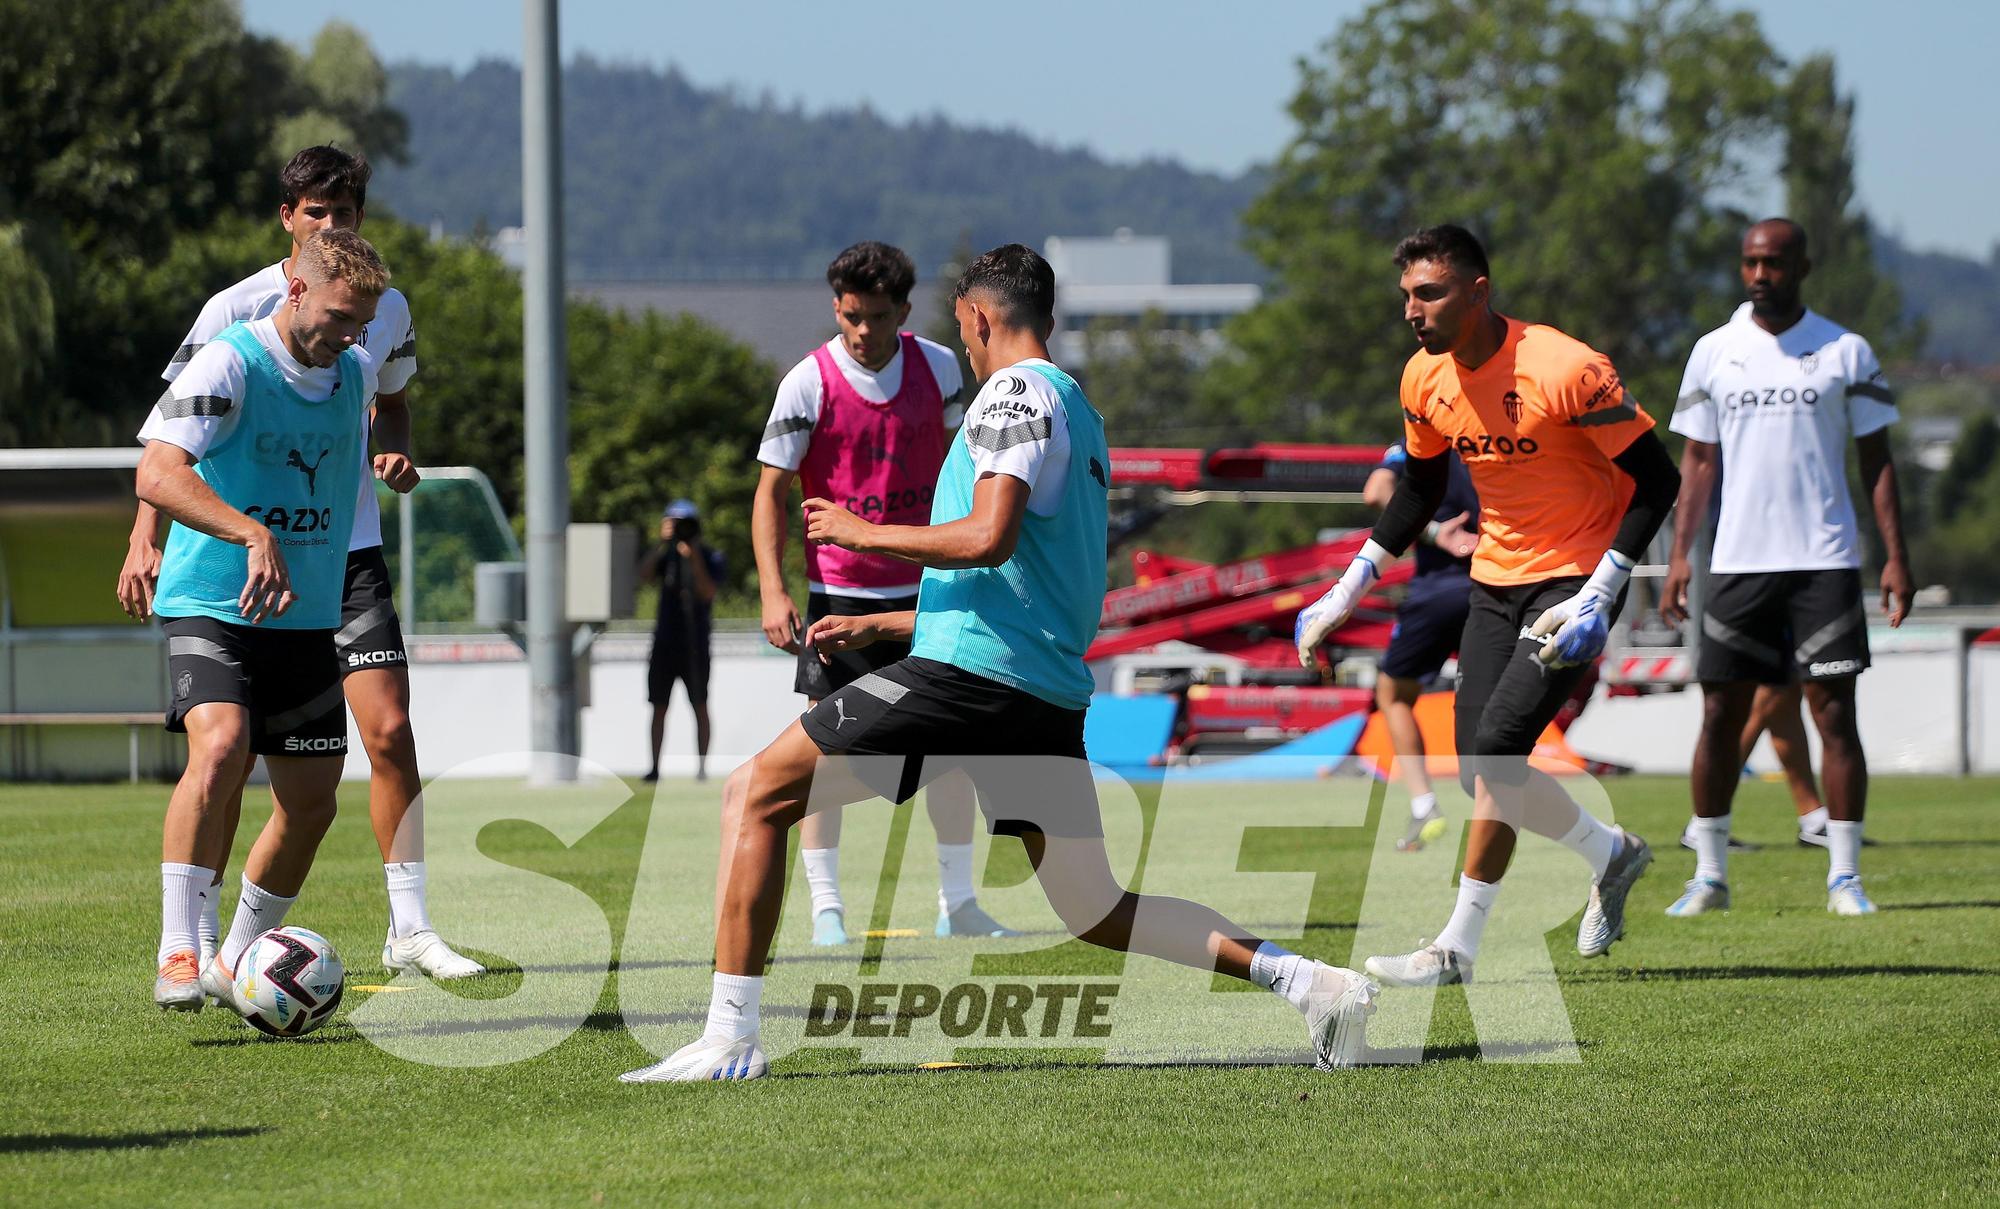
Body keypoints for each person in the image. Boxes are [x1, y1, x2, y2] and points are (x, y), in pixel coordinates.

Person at [622, 244, 1379, 1082]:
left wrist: (861, 532)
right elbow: (1030, 576)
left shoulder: (1013, 392)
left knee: (754, 791)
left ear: (980, 318)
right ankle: (1310, 982)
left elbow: (989, 536)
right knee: (1095, 907)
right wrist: (887, 623)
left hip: (969, 683)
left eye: (965, 332)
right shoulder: (1081, 411)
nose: (969, 351)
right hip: (1037, 692)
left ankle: (730, 1037)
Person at [120, 146, 482, 982]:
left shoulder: (373, 325)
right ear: (289, 223)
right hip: (225, 568)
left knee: (360, 752)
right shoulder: (233, 323)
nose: (333, 222)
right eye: (317, 209)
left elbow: (392, 403)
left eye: (345, 208)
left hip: (331, 570)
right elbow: (173, 445)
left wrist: (395, 456)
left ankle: (393, 930)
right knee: (224, 750)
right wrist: (150, 534)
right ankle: (188, 942)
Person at [1297, 224, 1680, 987]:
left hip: (1573, 582)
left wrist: (1604, 591)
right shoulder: (1421, 379)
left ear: (1479, 291)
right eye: (1406, 294)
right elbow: (1421, 489)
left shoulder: (1567, 367)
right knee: (1482, 770)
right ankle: (1612, 852)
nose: (1414, 309)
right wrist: (1349, 587)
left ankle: (1455, 949)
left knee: (1499, 748)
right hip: (1493, 584)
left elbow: (1657, 479)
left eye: (1430, 292)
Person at [141, 230, 396, 1011]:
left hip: (306, 616)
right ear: (295, 292)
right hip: (212, 599)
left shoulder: (353, 371)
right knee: (219, 749)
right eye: (341, 317)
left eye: (363, 323)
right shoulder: (229, 360)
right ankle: (181, 948)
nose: (353, 336)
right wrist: (251, 532)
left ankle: (237, 960)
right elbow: (156, 469)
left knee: (313, 802)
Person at [750, 240, 1014, 945]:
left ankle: (958, 901)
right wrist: (775, 591)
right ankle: (826, 906)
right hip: (839, 598)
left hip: (931, 593)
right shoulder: (806, 383)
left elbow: (973, 473)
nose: (861, 331)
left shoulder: (937, 368)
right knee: (822, 755)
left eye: (875, 316)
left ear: (903, 309)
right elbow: (770, 493)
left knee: (953, 754)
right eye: (848, 316)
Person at [1659, 218, 1911, 918]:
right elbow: (1699, 460)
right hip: (1738, 563)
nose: (1759, 275)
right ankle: (1708, 874)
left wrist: (1896, 556)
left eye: (1772, 263)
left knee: (1835, 714)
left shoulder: (1845, 350)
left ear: (1802, 264)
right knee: (1718, 714)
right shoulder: (1714, 352)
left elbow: (1876, 461)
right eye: (1749, 263)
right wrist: (1681, 555)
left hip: (1824, 561)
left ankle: (1845, 877)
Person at [1359, 442, 1479, 851]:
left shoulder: (1417, 442)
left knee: (1392, 694)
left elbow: (1376, 491)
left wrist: (1430, 530)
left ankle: (1424, 804)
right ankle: (1502, 806)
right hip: (1496, 588)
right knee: (1492, 698)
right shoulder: (1500, 433)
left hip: (1439, 591)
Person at [640, 499, 722, 782]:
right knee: (659, 706)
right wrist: (662, 544)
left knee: (700, 705)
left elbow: (707, 592)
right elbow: (642, 576)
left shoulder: (710, 556)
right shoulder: (665, 557)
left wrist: (693, 555)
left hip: (695, 644)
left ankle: (701, 768)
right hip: (664, 643)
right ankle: (654, 768)